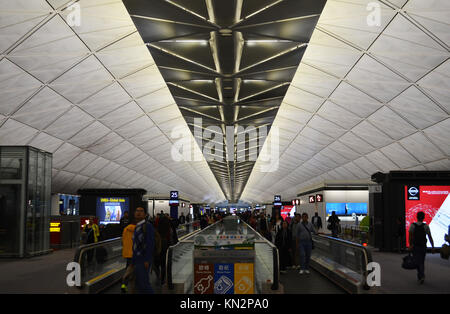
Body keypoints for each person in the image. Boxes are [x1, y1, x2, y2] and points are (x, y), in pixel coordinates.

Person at [132, 207, 155, 293]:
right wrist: (132, 261)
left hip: (143, 259)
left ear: (145, 215)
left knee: (144, 284)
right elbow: (135, 245)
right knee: (139, 284)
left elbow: (150, 243)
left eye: (141, 211)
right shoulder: (137, 226)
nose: (138, 213)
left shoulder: (148, 226)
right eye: (137, 211)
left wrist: (147, 259)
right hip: (136, 259)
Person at [408, 211, 434, 284]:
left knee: (417, 261)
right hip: (423, 247)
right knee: (422, 261)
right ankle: (421, 275)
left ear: (417, 217)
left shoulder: (412, 225)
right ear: (423, 217)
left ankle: (421, 275)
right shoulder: (426, 226)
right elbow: (430, 237)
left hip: (415, 246)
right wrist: (432, 247)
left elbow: (410, 236)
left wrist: (410, 245)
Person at [121, 219, 136, 293]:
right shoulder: (138, 230)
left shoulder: (125, 229)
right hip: (135, 253)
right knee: (131, 269)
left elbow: (123, 240)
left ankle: (125, 284)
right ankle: (125, 283)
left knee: (129, 267)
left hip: (127, 252)